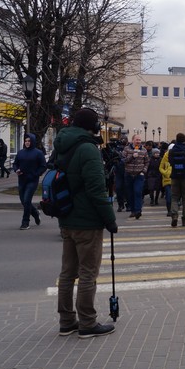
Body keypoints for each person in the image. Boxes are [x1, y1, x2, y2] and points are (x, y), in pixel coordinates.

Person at [54, 108, 117, 339]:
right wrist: (110, 219)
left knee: (67, 273)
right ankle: (88, 323)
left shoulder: (61, 144)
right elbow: (96, 189)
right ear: (92, 126)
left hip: (66, 216)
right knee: (88, 273)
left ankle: (66, 321)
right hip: (87, 221)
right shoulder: (88, 148)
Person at [12, 133, 47, 230]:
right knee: (24, 201)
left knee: (27, 200)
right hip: (22, 180)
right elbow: (15, 164)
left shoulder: (38, 153)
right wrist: (16, 170)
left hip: (32, 180)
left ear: (32, 141)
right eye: (26, 141)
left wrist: (36, 174)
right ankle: (35, 213)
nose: (27, 143)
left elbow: (43, 166)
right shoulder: (20, 153)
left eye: (29, 141)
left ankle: (25, 222)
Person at [168, 133, 185, 227]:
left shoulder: (172, 151)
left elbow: (170, 162)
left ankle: (174, 216)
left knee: (174, 197)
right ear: (184, 140)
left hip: (175, 176)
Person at [123, 135, 149, 219]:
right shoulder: (127, 149)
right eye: (137, 140)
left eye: (139, 140)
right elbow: (123, 160)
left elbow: (147, 162)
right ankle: (133, 211)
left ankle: (138, 211)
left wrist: (144, 171)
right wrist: (132, 156)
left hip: (139, 175)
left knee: (137, 192)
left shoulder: (144, 150)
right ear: (132, 140)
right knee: (130, 193)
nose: (138, 141)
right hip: (129, 174)